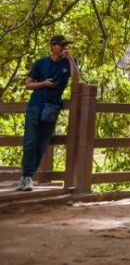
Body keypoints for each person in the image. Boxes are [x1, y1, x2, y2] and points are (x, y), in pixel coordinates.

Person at [16, 35, 80, 192]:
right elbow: (28, 85)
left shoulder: (68, 63)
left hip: (52, 108)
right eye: (61, 45)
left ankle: (28, 176)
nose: (64, 47)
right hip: (35, 106)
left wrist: (71, 59)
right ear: (52, 46)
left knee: (41, 144)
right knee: (30, 141)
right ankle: (26, 177)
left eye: (66, 45)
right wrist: (43, 83)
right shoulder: (41, 63)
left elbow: (76, 79)